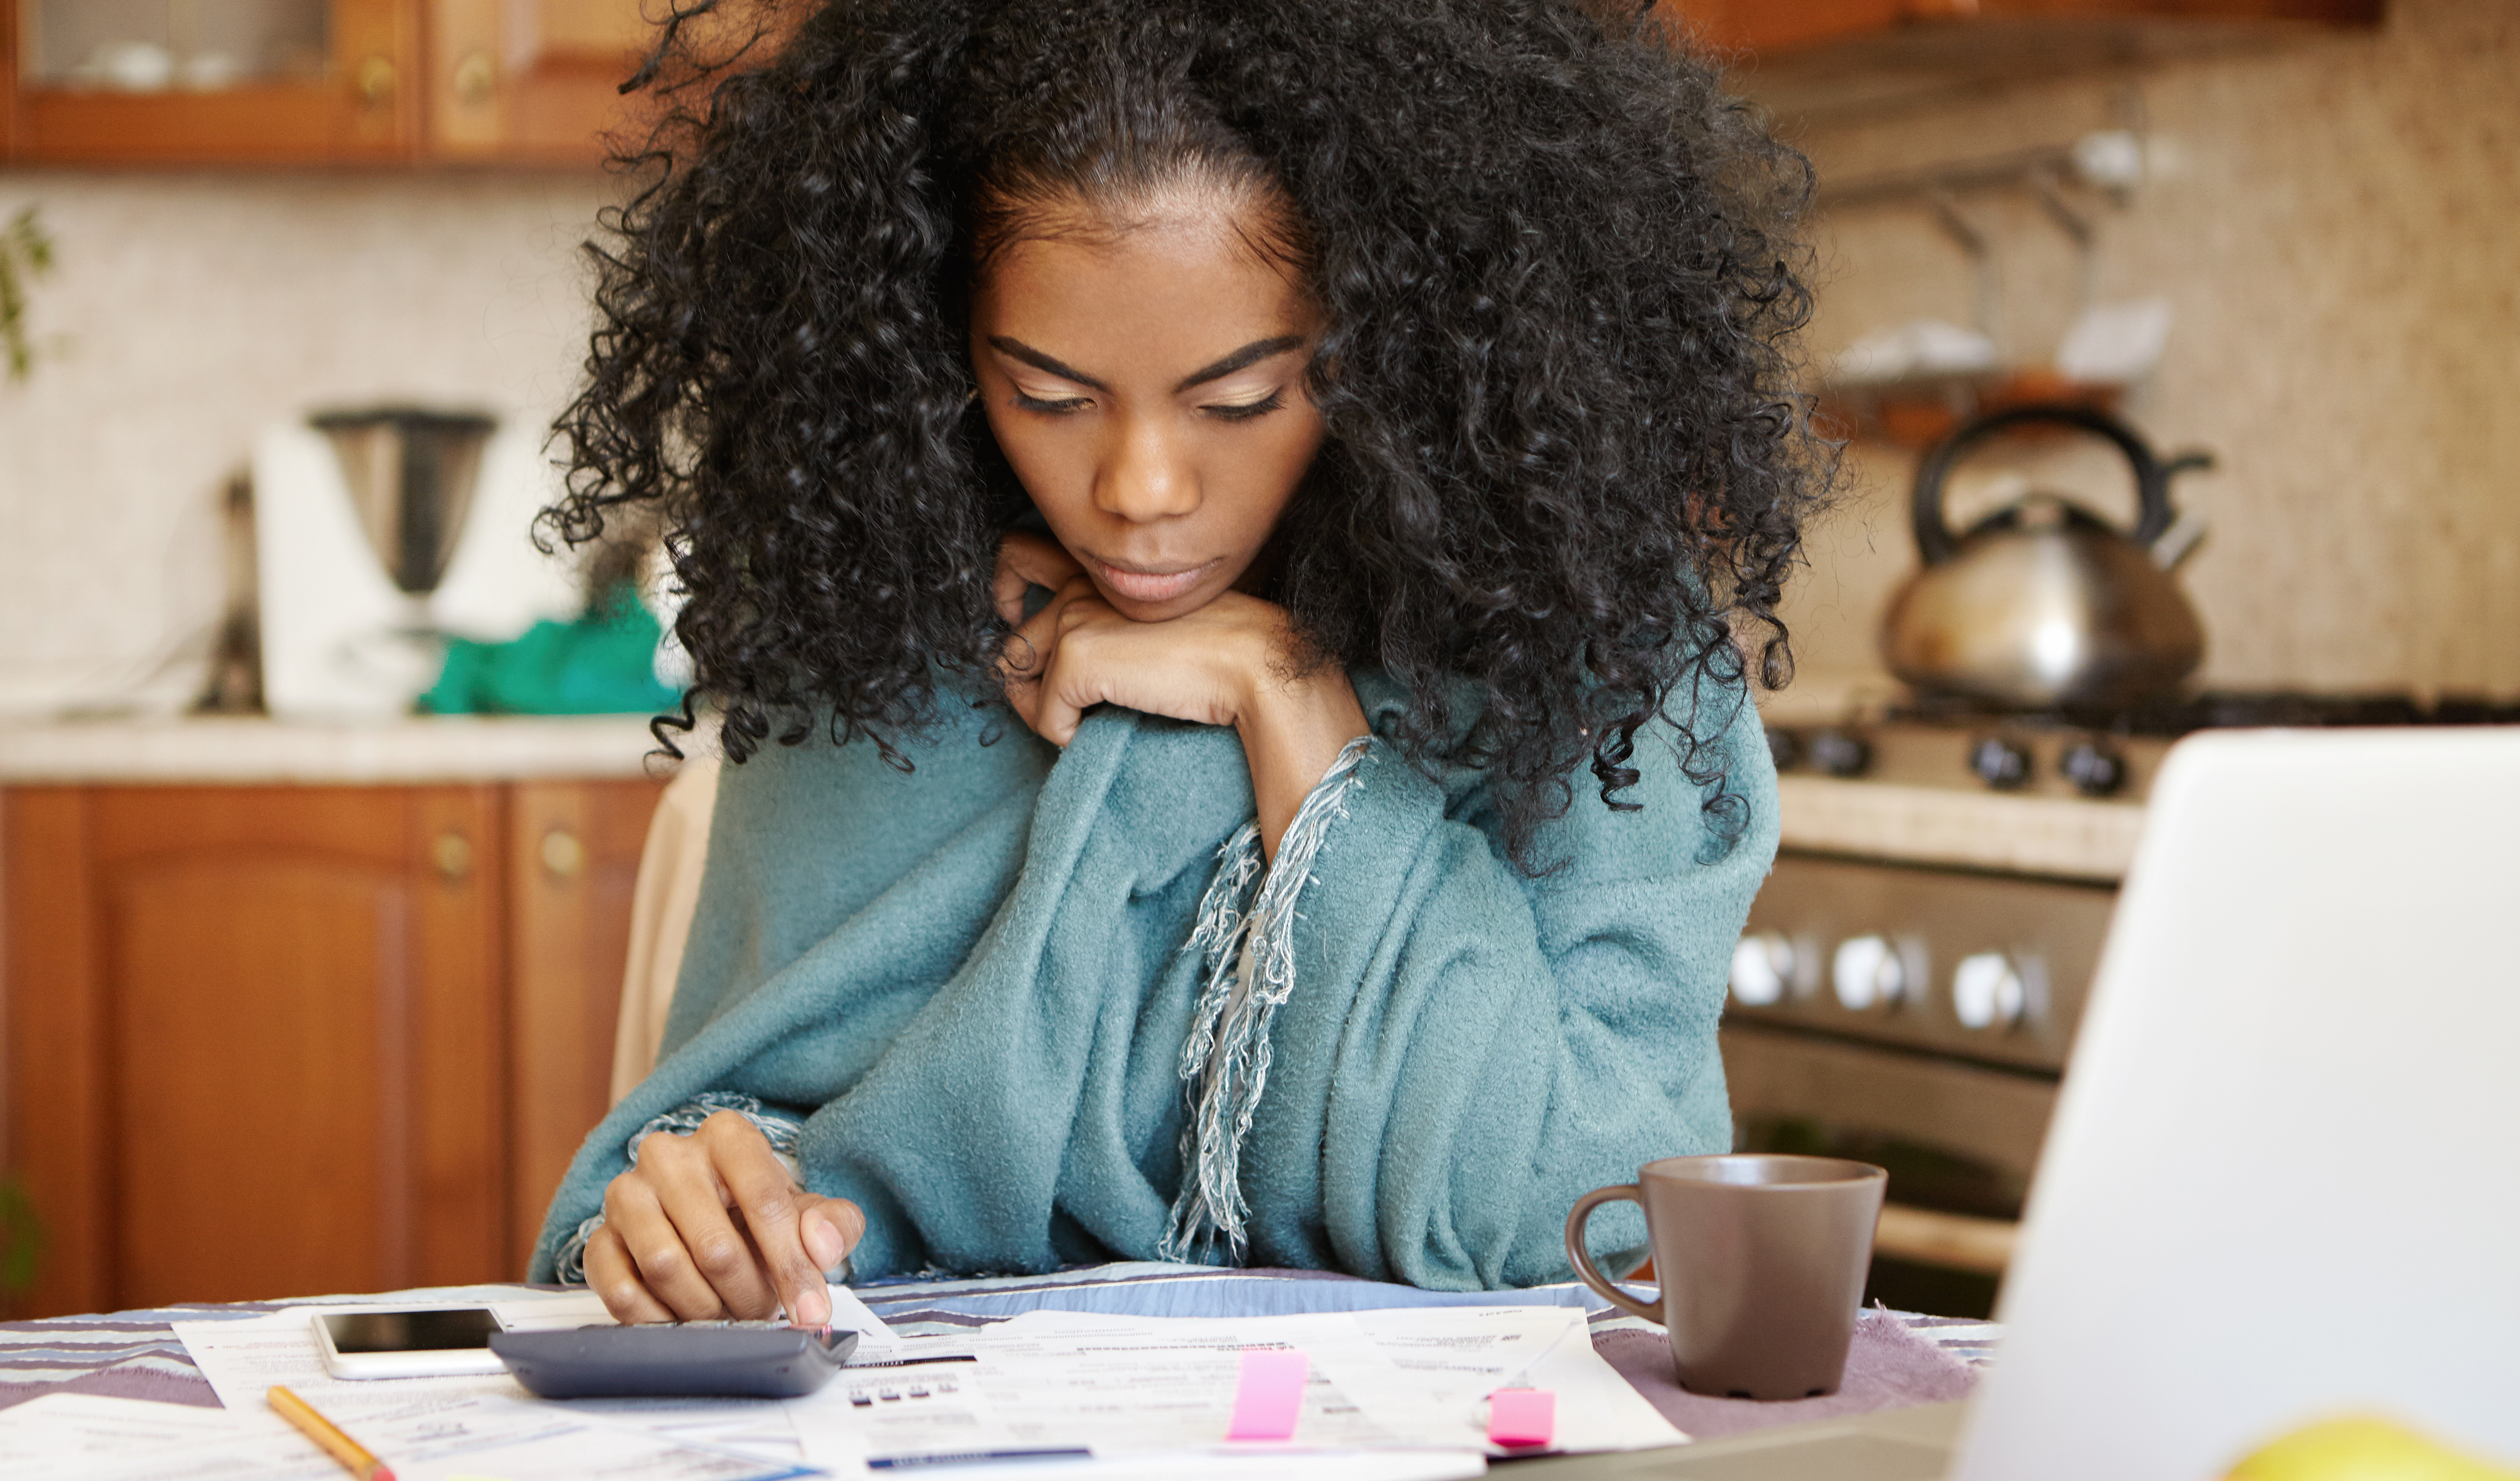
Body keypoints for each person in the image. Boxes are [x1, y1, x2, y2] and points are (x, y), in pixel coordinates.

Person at [529, 0, 1829, 1326]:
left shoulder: (1584, 638)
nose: (1140, 489)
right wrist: (697, 1223)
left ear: (1390, 340)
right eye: (1046, 394)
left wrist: (1292, 707)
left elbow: (1602, 1213)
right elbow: (712, 1161)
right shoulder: (877, 634)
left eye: (1240, 400)